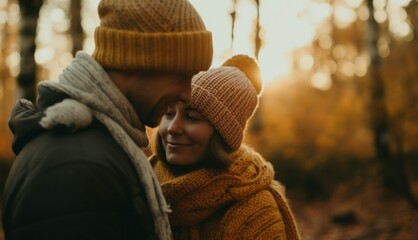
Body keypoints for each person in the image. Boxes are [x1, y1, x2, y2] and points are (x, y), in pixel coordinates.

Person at [2, 0, 212, 239]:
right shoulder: (79, 165)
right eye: (183, 75)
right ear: (137, 58)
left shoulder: (97, 148)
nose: (186, 94)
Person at [150, 55, 301, 239]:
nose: (173, 128)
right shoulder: (142, 179)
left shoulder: (256, 210)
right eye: (169, 113)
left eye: (192, 118)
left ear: (222, 135)